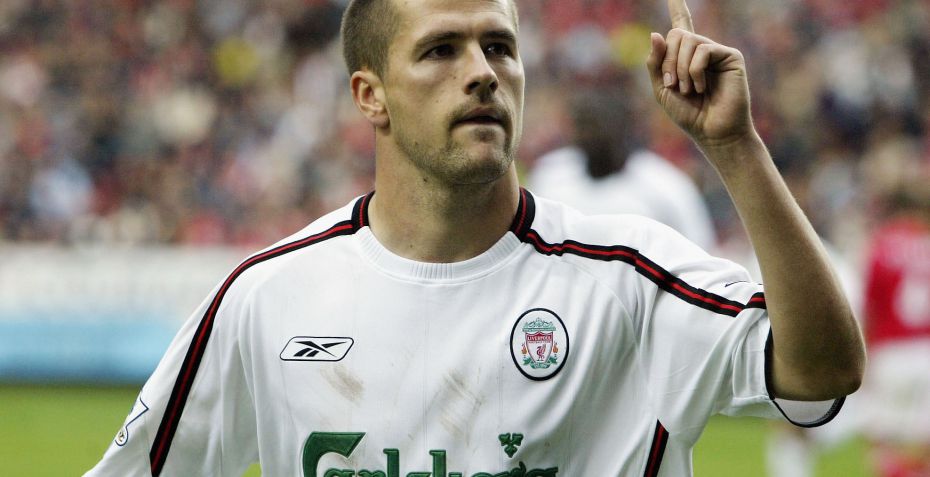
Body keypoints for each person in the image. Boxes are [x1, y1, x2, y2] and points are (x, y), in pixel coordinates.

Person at [85, 0, 865, 475]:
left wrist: (736, 149)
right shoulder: (267, 297)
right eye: (440, 50)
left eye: (500, 46)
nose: (483, 71)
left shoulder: (630, 275)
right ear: (370, 95)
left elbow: (823, 369)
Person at [530, 85, 717, 250]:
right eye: (583, 126)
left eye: (597, 125)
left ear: (623, 126)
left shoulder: (665, 184)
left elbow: (700, 247)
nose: (589, 134)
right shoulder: (550, 175)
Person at [859, 178, 930, 477]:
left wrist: (865, 357)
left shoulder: (882, 246)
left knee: (882, 440)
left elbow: (869, 308)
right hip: (926, 351)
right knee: (923, 445)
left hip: (891, 351)